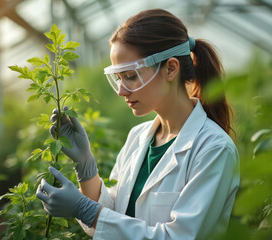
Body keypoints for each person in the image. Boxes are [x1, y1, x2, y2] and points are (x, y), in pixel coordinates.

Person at [36, 8, 240, 240]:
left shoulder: (213, 149)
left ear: (171, 68)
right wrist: (86, 166)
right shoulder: (139, 136)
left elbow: (180, 237)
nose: (122, 91)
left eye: (131, 76)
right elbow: (113, 215)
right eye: (118, 78)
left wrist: (86, 210)